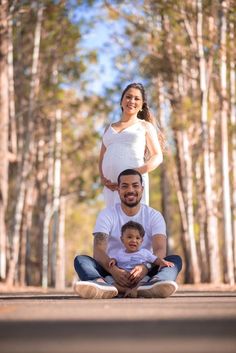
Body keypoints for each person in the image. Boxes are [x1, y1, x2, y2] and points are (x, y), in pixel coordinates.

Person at [73, 169, 182, 299]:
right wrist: (114, 270)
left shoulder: (154, 216)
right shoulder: (107, 214)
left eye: (135, 185)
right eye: (125, 186)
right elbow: (98, 251)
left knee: (174, 260)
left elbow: (160, 249)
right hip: (112, 270)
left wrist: (145, 267)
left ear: (142, 189)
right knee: (81, 260)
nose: (130, 190)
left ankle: (156, 283)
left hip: (145, 269)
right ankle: (103, 285)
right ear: (118, 190)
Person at [99, 82, 163, 207]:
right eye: (128, 97)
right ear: (121, 101)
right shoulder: (108, 128)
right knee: (114, 224)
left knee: (133, 224)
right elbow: (101, 158)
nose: (132, 101)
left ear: (141, 106)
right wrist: (103, 178)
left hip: (133, 186)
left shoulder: (145, 126)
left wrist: (135, 174)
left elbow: (157, 156)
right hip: (111, 188)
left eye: (137, 98)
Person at [108, 220, 175, 297]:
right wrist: (113, 261)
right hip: (123, 280)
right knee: (108, 278)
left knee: (147, 278)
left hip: (139, 279)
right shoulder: (119, 253)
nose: (134, 240)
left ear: (141, 241)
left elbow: (155, 259)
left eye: (137, 238)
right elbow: (114, 259)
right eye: (129, 237)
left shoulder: (144, 253)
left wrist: (163, 262)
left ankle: (137, 290)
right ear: (122, 239)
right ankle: (125, 290)